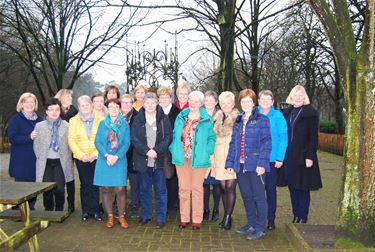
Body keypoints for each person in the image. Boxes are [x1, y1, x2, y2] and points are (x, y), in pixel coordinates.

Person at [225, 88, 271, 241]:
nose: (245, 104)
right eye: (243, 101)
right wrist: (230, 162)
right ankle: (251, 223)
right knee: (247, 196)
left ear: (254, 102)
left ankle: (260, 227)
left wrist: (262, 163)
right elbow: (233, 143)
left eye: (248, 101)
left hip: (256, 165)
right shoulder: (238, 120)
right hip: (241, 165)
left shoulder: (262, 119)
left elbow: (266, 142)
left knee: (259, 197)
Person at [170, 90, 216, 230]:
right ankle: (184, 218)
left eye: (196, 101)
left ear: (201, 103)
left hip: (199, 158)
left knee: (197, 189)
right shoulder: (181, 117)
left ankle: (197, 219)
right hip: (182, 158)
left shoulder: (206, 118)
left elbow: (211, 138)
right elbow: (174, 135)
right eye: (191, 100)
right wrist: (173, 148)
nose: (193, 103)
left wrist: (207, 151)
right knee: (184, 189)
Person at [279, 85, 322, 224]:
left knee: (302, 187)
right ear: (291, 97)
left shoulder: (311, 113)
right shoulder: (286, 112)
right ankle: (296, 214)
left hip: (303, 156)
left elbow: (313, 137)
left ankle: (303, 216)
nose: (298, 98)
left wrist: (310, 156)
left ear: (304, 97)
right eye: (295, 95)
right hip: (288, 156)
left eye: (300, 95)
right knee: (292, 186)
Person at [131, 92, 172, 229]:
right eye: (147, 103)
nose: (150, 105)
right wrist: (147, 151)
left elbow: (168, 137)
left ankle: (161, 218)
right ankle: (146, 216)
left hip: (158, 161)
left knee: (161, 191)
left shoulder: (163, 118)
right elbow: (134, 138)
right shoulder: (137, 118)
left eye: (152, 103)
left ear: (157, 103)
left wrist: (156, 150)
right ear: (144, 104)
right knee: (144, 189)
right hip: (143, 160)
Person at [94, 99, 130, 229]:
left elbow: (127, 143)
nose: (113, 109)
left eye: (116, 107)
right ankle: (110, 216)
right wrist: (107, 155)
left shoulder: (125, 125)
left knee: (120, 189)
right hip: (104, 160)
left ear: (119, 109)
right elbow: (97, 142)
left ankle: (121, 216)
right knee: (106, 188)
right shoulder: (102, 124)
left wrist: (116, 156)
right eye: (111, 106)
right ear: (107, 109)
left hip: (119, 160)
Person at [34, 98, 74, 211]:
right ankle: (48, 210)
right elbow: (36, 145)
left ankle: (59, 210)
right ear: (46, 111)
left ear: (60, 111)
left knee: (60, 189)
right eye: (51, 109)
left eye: (57, 109)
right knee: (47, 189)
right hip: (45, 162)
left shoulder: (67, 126)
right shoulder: (39, 126)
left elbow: (70, 144)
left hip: (61, 162)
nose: (54, 112)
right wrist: (41, 157)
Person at [68, 95, 103, 222]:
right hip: (80, 157)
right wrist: (82, 155)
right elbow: (71, 140)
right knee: (84, 184)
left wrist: (94, 154)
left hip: (96, 156)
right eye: (82, 105)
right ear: (79, 107)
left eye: (87, 105)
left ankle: (96, 211)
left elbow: (102, 139)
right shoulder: (73, 121)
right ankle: (86, 211)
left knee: (95, 184)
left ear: (92, 105)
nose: (85, 107)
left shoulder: (101, 120)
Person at [258, 90, 288, 230]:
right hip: (255, 159)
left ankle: (271, 218)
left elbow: (283, 138)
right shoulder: (253, 113)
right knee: (257, 191)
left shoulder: (278, 116)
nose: (265, 101)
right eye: (262, 99)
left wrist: (280, 158)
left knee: (270, 190)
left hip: (271, 159)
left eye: (268, 99)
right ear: (258, 100)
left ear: (272, 101)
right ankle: (259, 217)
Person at [8, 92, 43, 210]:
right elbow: (12, 138)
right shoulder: (15, 119)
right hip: (21, 161)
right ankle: (20, 212)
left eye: (32, 102)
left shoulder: (40, 119)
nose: (29, 104)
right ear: (21, 104)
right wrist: (29, 137)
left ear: (35, 104)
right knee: (21, 189)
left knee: (33, 188)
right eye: (26, 102)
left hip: (36, 160)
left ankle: (30, 210)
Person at [211, 91, 239, 230]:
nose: (226, 105)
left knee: (230, 187)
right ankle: (226, 215)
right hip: (218, 156)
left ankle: (228, 217)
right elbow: (212, 139)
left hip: (231, 156)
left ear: (233, 104)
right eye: (223, 103)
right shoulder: (217, 118)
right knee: (222, 187)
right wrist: (211, 158)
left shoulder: (238, 119)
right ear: (220, 104)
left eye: (229, 103)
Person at [157, 86, 181, 218]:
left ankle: (173, 205)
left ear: (171, 98)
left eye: (166, 97)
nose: (164, 99)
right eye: (161, 97)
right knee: (161, 178)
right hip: (158, 150)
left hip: (173, 149)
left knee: (173, 178)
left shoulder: (178, 112)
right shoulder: (154, 111)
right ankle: (163, 205)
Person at [55, 89, 77, 213]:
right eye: (68, 96)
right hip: (58, 149)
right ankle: (59, 202)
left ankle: (71, 203)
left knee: (70, 176)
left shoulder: (75, 112)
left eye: (71, 97)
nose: (70, 98)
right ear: (61, 97)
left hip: (72, 148)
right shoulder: (55, 111)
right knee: (59, 175)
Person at [120, 94, 140, 218]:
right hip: (120, 155)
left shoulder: (138, 116)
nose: (126, 105)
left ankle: (135, 204)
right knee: (120, 182)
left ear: (132, 103)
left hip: (133, 153)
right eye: (124, 102)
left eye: (129, 102)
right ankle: (119, 204)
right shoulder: (115, 117)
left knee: (134, 182)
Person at [202, 90, 221, 222]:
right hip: (203, 153)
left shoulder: (221, 115)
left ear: (216, 102)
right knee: (204, 184)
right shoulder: (199, 115)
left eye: (211, 100)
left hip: (218, 153)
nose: (209, 103)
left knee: (216, 184)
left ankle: (216, 209)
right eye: (206, 100)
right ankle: (205, 209)